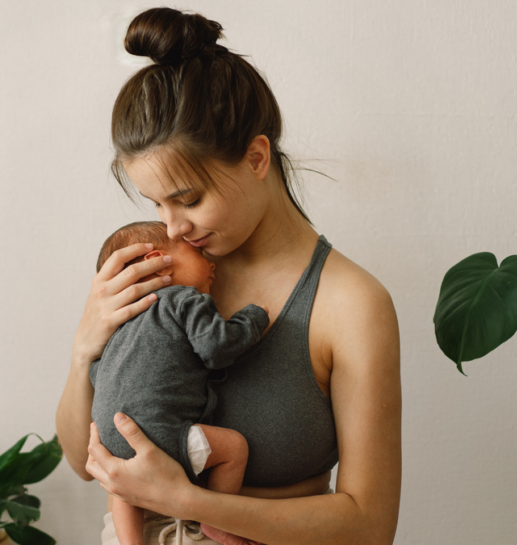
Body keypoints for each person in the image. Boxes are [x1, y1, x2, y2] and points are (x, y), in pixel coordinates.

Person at [55, 7, 402, 545]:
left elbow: (369, 526)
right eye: (155, 203)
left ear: (257, 157)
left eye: (188, 199)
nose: (172, 226)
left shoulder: (350, 304)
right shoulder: (165, 272)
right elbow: (84, 461)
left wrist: (188, 501)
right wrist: (83, 350)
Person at [91, 221, 269, 545]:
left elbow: (97, 372)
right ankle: (217, 523)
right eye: (198, 252)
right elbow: (217, 347)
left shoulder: (118, 327)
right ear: (158, 262)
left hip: (109, 436)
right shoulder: (184, 298)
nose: (212, 264)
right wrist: (252, 320)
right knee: (234, 449)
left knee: (123, 488)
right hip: (163, 434)